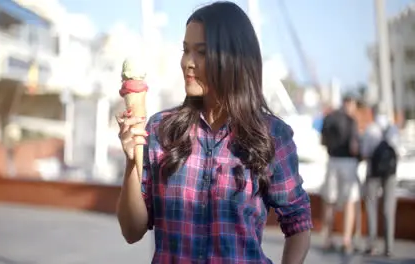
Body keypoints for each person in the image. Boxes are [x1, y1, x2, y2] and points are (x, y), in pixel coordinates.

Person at [115, 2, 312, 263]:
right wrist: (131, 162)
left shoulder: (272, 135)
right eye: (185, 51)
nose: (188, 62)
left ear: (234, 58)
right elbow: (132, 231)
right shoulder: (161, 129)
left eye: (202, 52)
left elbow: (298, 223)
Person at [320, 95, 361, 253]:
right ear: (349, 104)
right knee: (350, 201)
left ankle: (327, 238)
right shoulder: (351, 121)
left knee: (329, 201)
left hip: (332, 161)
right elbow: (354, 147)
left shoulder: (328, 118)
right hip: (348, 163)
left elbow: (322, 141)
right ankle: (346, 239)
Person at [361, 104, 399, 257]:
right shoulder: (393, 129)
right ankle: (389, 247)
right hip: (390, 173)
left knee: (371, 207)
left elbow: (364, 153)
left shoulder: (371, 129)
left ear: (373, 112)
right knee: (389, 208)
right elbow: (399, 151)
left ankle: (372, 246)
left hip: (373, 173)